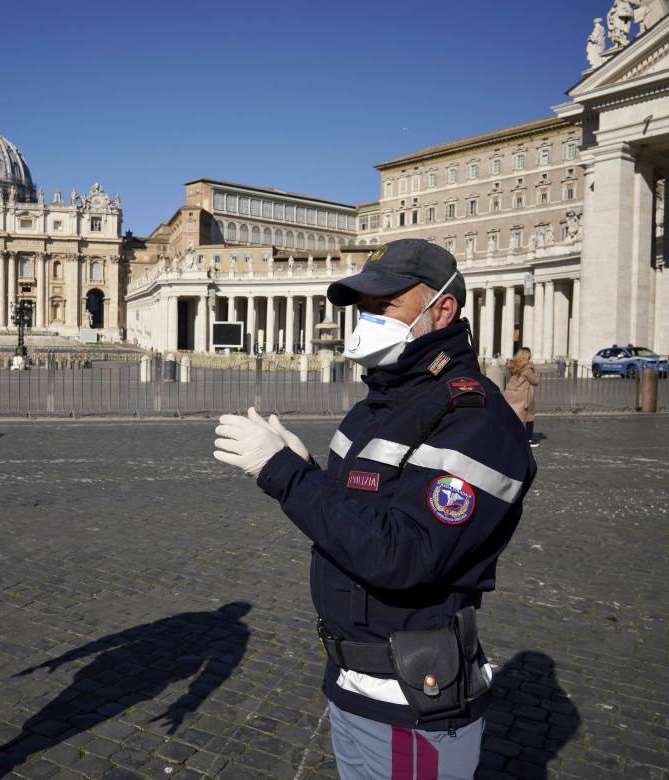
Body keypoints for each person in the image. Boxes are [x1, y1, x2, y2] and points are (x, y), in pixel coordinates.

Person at [213, 239, 537, 779]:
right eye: (362, 305)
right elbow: (355, 516)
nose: (367, 317)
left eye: (385, 304)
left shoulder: (475, 418)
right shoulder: (378, 407)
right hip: (353, 682)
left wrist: (284, 473)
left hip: (414, 700)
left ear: (443, 309)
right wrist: (309, 468)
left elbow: (402, 555)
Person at [504, 347, 540, 447]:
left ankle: (511, 437)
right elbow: (536, 381)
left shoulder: (512, 366)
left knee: (512, 417)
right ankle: (528, 439)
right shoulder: (528, 369)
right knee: (529, 417)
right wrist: (534, 370)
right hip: (523, 397)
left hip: (511, 394)